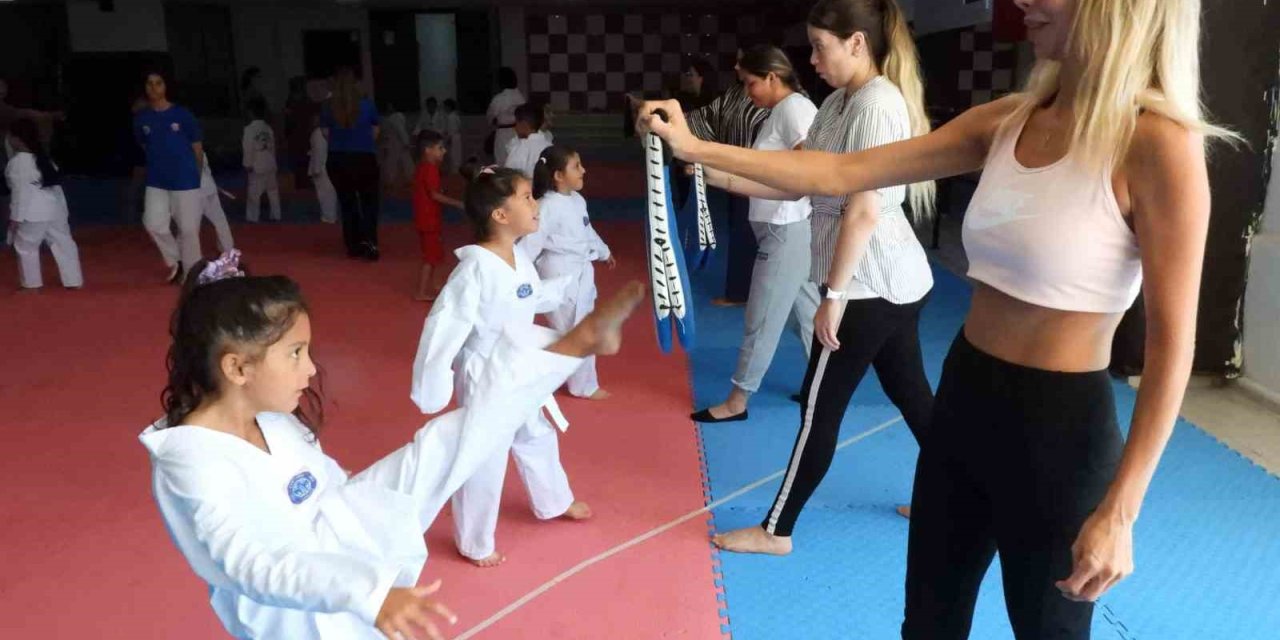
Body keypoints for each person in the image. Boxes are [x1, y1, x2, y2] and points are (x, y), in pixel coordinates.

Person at [638, 0, 1226, 635]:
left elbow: (1172, 345)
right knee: (927, 624)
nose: (1022, 3)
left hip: (1059, 431)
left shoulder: (1159, 144)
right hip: (966, 400)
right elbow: (840, 172)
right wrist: (694, 147)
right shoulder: (1008, 119)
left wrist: (1121, 511)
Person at [141, 249, 645, 639]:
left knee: (443, 443)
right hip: (296, 612)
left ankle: (570, 348)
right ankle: (567, 351)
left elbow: (326, 485)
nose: (311, 368)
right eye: (295, 353)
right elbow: (253, 565)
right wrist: (372, 593)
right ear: (237, 368)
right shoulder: (190, 462)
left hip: (344, 524)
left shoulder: (270, 419)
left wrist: (375, 514)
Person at [411, 163, 593, 568]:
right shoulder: (473, 269)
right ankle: (475, 541)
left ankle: (553, 500)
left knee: (536, 432)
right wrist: (433, 384)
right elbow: (443, 326)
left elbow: (528, 297)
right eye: (527, 198)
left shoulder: (518, 257)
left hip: (519, 364)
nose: (536, 205)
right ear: (500, 215)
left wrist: (564, 286)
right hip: (485, 372)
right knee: (484, 455)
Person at [689, 45, 818, 423]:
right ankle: (825, 386)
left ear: (772, 77)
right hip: (780, 230)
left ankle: (737, 401)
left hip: (785, 231)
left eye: (750, 83)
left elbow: (808, 167)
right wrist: (712, 172)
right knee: (807, 318)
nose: (747, 93)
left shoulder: (794, 109)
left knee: (761, 320)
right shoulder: (781, 111)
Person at [526, 145, 617, 399]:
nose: (583, 170)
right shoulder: (545, 207)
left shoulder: (577, 200)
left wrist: (603, 251)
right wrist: (519, 275)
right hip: (559, 273)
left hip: (581, 271)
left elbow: (587, 231)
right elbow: (530, 244)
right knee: (578, 331)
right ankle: (583, 386)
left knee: (577, 329)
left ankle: (543, 373)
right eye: (576, 166)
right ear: (558, 175)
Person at [684, 49, 771, 307]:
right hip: (738, 174)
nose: (735, 66)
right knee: (741, 232)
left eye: (741, 60)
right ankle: (742, 292)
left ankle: (745, 293)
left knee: (754, 236)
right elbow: (709, 118)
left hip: (763, 178)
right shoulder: (736, 93)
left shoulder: (783, 101)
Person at [134, 69, 205, 282]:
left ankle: (193, 273)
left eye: (158, 83)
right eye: (149, 83)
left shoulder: (183, 115)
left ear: (166, 87)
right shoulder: (142, 119)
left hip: (185, 180)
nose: (154, 87)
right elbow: (145, 145)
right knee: (153, 223)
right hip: (157, 180)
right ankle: (177, 261)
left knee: (188, 229)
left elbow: (197, 148)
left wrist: (197, 176)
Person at [5, 118, 82, 290]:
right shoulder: (45, 159)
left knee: (26, 247)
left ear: (16, 139)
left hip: (33, 213)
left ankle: (31, 284)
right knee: (64, 243)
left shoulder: (18, 163)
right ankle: (74, 281)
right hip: (55, 210)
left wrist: (15, 218)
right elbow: (57, 189)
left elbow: (20, 194)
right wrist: (63, 212)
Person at [321, 67, 382, 261]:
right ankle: (370, 242)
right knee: (369, 203)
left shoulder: (328, 106)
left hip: (338, 159)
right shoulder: (367, 105)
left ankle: (353, 244)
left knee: (347, 203)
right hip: (364, 158)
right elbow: (375, 132)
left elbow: (325, 133)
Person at [411, 130, 463, 301]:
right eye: (440, 148)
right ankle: (421, 292)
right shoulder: (430, 169)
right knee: (430, 256)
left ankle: (432, 284)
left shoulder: (423, 167)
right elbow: (435, 195)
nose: (444, 151)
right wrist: (458, 203)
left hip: (427, 217)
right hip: (429, 219)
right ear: (428, 150)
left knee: (432, 254)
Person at [242, 97, 282, 222]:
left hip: (257, 164)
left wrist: (247, 164)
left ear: (250, 113)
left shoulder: (249, 129)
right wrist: (274, 162)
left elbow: (248, 148)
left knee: (254, 194)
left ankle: (252, 218)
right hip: (270, 162)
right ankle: (276, 215)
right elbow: (273, 147)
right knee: (273, 191)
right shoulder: (268, 128)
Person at [486, 67, 526, 165]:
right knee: (518, 160)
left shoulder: (499, 99)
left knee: (502, 161)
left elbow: (490, 116)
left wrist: (493, 122)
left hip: (503, 132)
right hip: (519, 131)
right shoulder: (521, 97)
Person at [197, 152, 236, 252]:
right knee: (220, 221)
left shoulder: (178, 152)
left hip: (194, 192)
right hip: (209, 187)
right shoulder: (199, 150)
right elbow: (206, 170)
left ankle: (187, 255)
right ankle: (228, 249)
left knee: (190, 226)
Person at [501, 104, 552, 178]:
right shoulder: (550, 146)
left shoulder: (519, 149)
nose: (515, 128)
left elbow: (509, 177)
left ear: (523, 125)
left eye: (516, 123)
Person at [308, 116, 338, 224]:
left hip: (322, 168)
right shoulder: (332, 131)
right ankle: (330, 216)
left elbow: (318, 152)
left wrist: (315, 170)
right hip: (330, 165)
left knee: (325, 194)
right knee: (330, 194)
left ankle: (328, 217)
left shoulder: (318, 133)